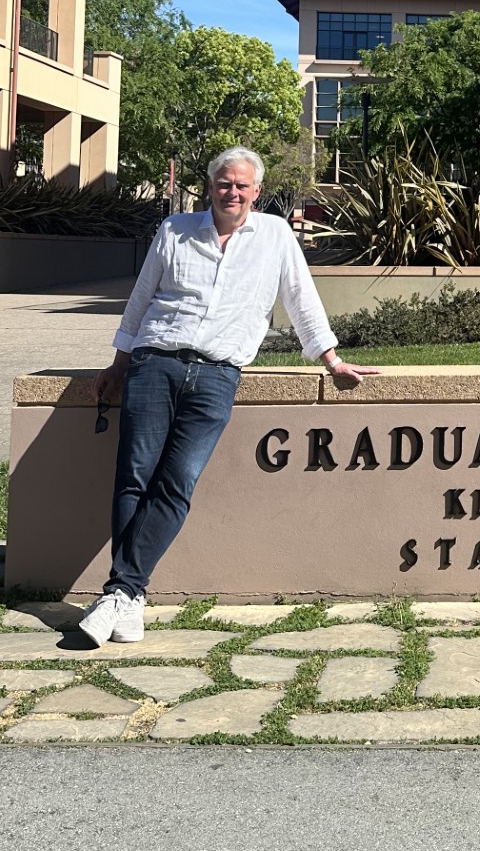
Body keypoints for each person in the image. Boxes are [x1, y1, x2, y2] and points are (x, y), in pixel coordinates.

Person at [75, 145, 371, 648]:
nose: (231, 192)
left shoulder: (275, 235)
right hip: (156, 363)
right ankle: (128, 600)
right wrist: (120, 362)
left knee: (177, 483)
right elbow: (142, 297)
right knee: (134, 478)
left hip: (217, 375)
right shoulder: (175, 230)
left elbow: (301, 298)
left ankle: (120, 593)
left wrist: (331, 360)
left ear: (256, 191)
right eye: (223, 183)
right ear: (210, 187)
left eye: (241, 185)